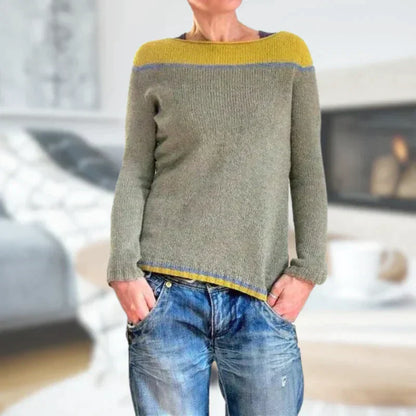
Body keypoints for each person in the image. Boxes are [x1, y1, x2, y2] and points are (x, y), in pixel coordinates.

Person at [106, 0, 328, 415]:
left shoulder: (288, 54)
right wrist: (123, 268)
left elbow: (307, 171)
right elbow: (135, 172)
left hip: (260, 295)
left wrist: (309, 269)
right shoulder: (154, 60)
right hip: (165, 295)